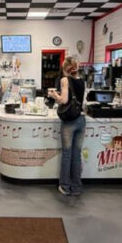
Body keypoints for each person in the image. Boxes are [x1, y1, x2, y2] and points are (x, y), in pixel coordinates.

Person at [48, 57, 85, 196]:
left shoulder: (65, 80)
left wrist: (54, 95)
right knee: (77, 155)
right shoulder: (82, 81)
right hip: (81, 120)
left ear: (65, 68)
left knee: (67, 154)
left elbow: (63, 100)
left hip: (69, 121)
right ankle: (76, 187)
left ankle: (64, 186)